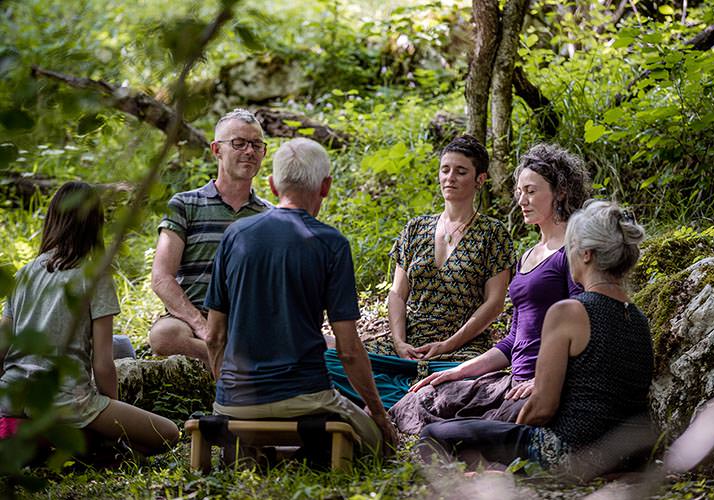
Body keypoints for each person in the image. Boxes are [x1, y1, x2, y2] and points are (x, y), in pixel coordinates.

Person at [418, 200, 654, 474]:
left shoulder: (569, 312)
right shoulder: (638, 318)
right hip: (631, 458)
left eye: (572, 247)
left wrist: (512, 438)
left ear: (587, 254)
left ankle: (488, 482)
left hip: (570, 454)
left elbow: (542, 407)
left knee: (434, 434)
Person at [204, 138, 398, 457]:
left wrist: (227, 394)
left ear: (271, 184)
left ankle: (272, 454)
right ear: (325, 187)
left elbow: (214, 336)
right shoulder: (330, 243)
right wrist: (378, 413)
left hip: (235, 402)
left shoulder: (234, 236)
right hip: (306, 399)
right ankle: (298, 455)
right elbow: (348, 349)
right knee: (376, 444)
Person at [390, 143, 589, 432]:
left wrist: (544, 382)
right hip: (513, 380)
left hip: (543, 387)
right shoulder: (528, 256)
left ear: (560, 192)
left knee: (449, 432)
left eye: (531, 191)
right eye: (520, 191)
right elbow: (513, 342)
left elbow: (587, 329)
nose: (522, 200)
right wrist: (458, 372)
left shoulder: (574, 251)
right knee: (424, 398)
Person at [326, 135, 514, 409]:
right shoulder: (416, 228)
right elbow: (397, 294)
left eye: (461, 171)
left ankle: (398, 394)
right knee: (331, 359)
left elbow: (494, 304)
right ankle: (409, 393)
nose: (450, 177)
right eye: (445, 169)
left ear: (480, 180)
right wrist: (400, 342)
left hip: (461, 348)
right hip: (409, 344)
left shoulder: (493, 234)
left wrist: (448, 344)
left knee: (466, 383)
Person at [0, 182, 179, 455]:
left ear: (52, 221)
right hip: (66, 400)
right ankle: (58, 438)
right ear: (95, 224)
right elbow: (103, 363)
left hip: (13, 396)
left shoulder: (24, 274)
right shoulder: (94, 276)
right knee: (168, 433)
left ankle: (25, 434)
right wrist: (113, 421)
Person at [149, 108, 272, 364]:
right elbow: (161, 277)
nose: (249, 151)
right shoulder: (184, 204)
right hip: (194, 320)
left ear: (264, 152)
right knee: (164, 335)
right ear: (217, 150)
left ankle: (236, 360)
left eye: (256, 145)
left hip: (249, 322)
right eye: (239, 143)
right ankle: (241, 362)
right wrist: (205, 329)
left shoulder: (270, 215)